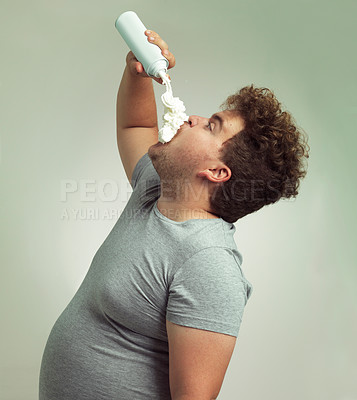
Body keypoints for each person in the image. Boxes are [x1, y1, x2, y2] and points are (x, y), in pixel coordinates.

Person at [39, 30, 309, 400]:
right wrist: (137, 72)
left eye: (212, 125)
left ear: (216, 172)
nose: (195, 118)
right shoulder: (157, 190)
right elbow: (135, 126)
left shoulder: (209, 266)